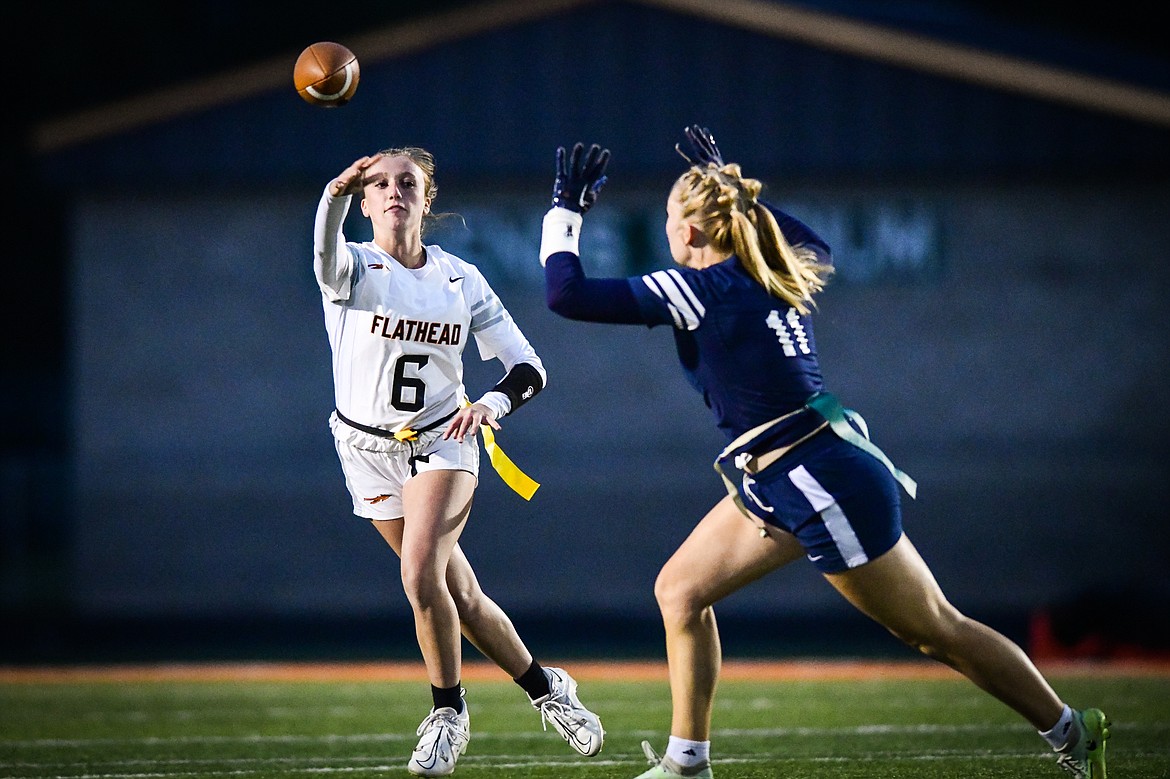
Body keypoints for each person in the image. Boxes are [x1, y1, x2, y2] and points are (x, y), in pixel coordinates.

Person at [537, 130, 1110, 779]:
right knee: (680, 590)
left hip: (815, 476)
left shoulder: (706, 287)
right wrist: (726, 182)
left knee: (934, 630)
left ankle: (1069, 727)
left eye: (672, 218)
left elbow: (566, 295)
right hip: (791, 470)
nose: (667, 231)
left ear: (695, 229)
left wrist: (566, 211)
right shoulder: (769, 270)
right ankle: (686, 764)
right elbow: (816, 243)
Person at [313, 145, 605, 776]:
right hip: (365, 448)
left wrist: (494, 404)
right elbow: (323, 250)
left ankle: (449, 712)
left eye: (407, 183)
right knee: (461, 596)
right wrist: (334, 191)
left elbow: (528, 368)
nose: (393, 192)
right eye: (380, 184)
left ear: (426, 197)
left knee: (421, 578)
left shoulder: (460, 278)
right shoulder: (352, 269)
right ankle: (548, 689)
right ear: (365, 201)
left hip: (443, 442)